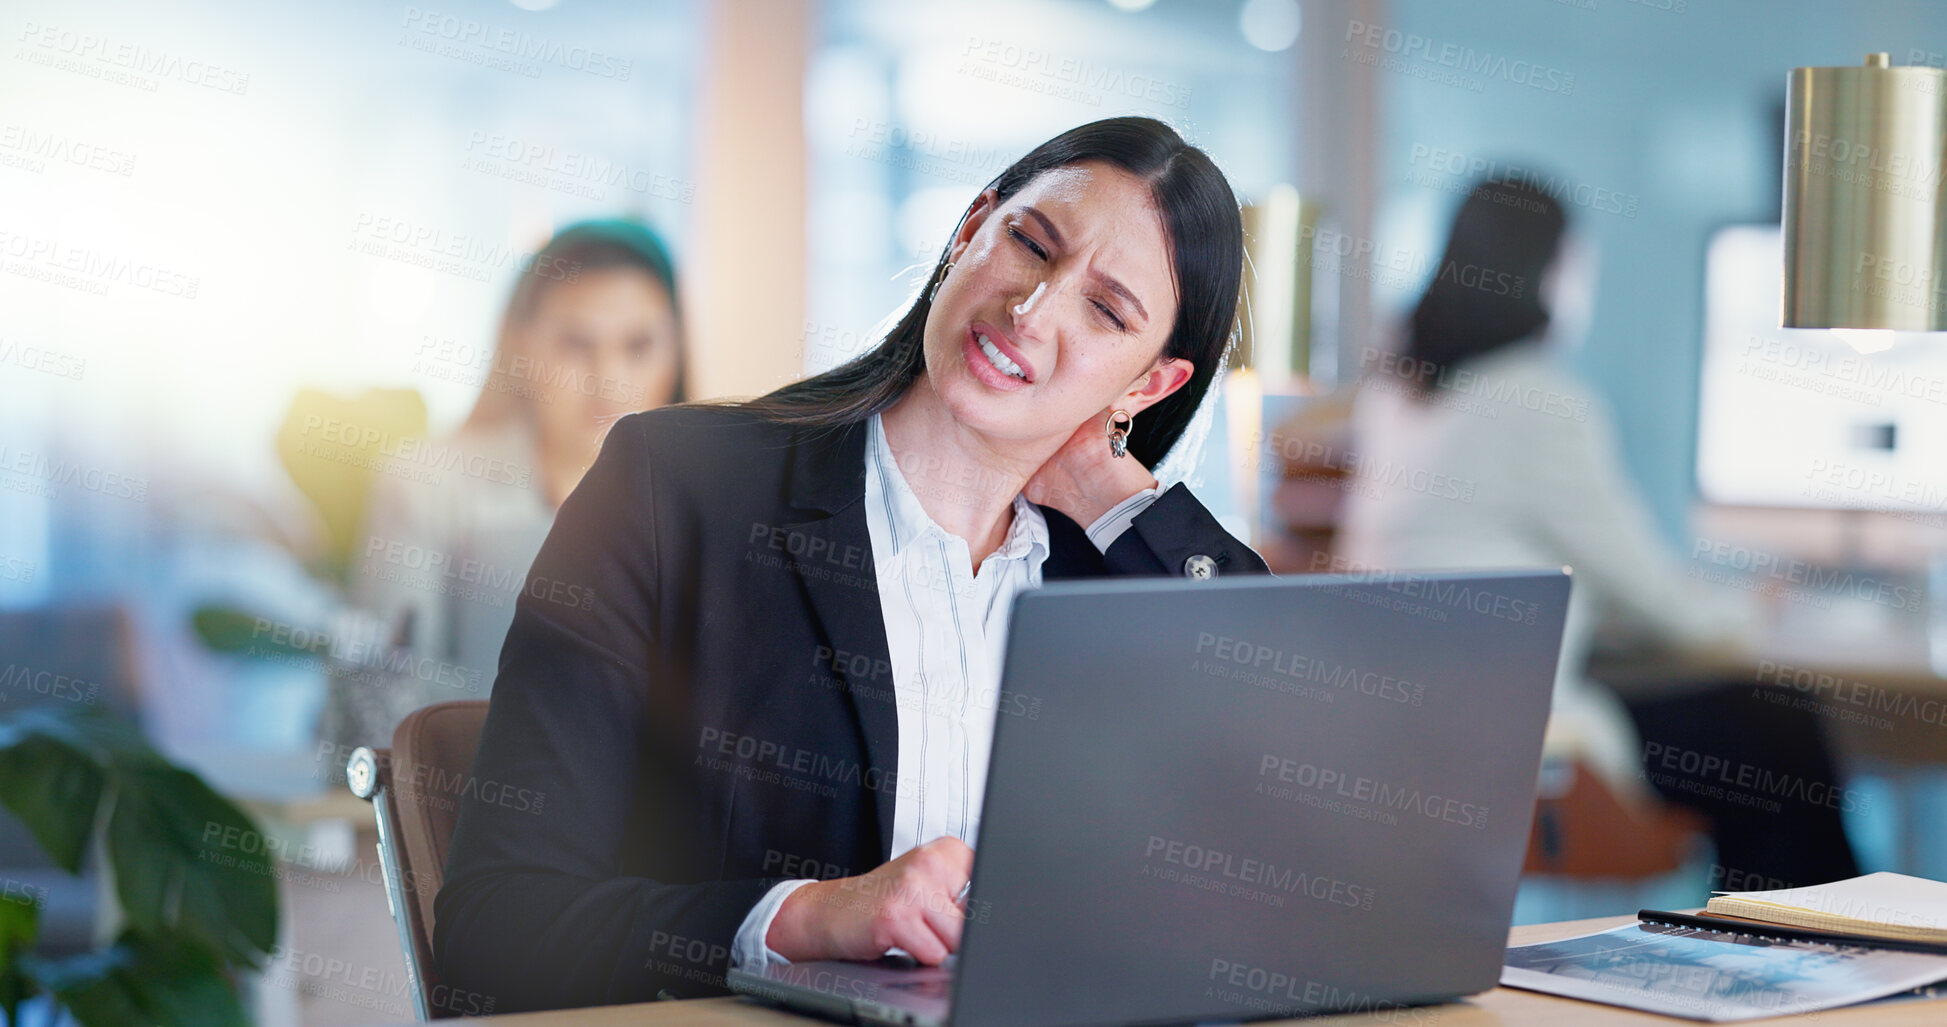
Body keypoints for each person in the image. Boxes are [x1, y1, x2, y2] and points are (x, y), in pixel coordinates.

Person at [433, 116, 1268, 1013]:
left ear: (1147, 385)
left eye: (1106, 311)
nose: (1031, 311)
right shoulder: (676, 488)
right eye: (1029, 243)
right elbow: (495, 927)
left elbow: (1273, 826)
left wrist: (1117, 497)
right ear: (969, 230)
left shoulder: (1114, 584)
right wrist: (807, 918)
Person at [1334, 179, 1858, 890]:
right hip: (1520, 735)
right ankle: (1816, 961)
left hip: (1412, 719)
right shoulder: (1539, 401)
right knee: (1776, 723)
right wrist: (1754, 606)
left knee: (1756, 726)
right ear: (1552, 272)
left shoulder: (1398, 391)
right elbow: (1659, 601)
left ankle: (1779, 954)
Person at [316, 219, 688, 751]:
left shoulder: (703, 507)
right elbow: (380, 719)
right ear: (522, 344)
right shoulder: (424, 485)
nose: (608, 377)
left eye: (639, 345)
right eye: (576, 344)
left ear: (677, 350)